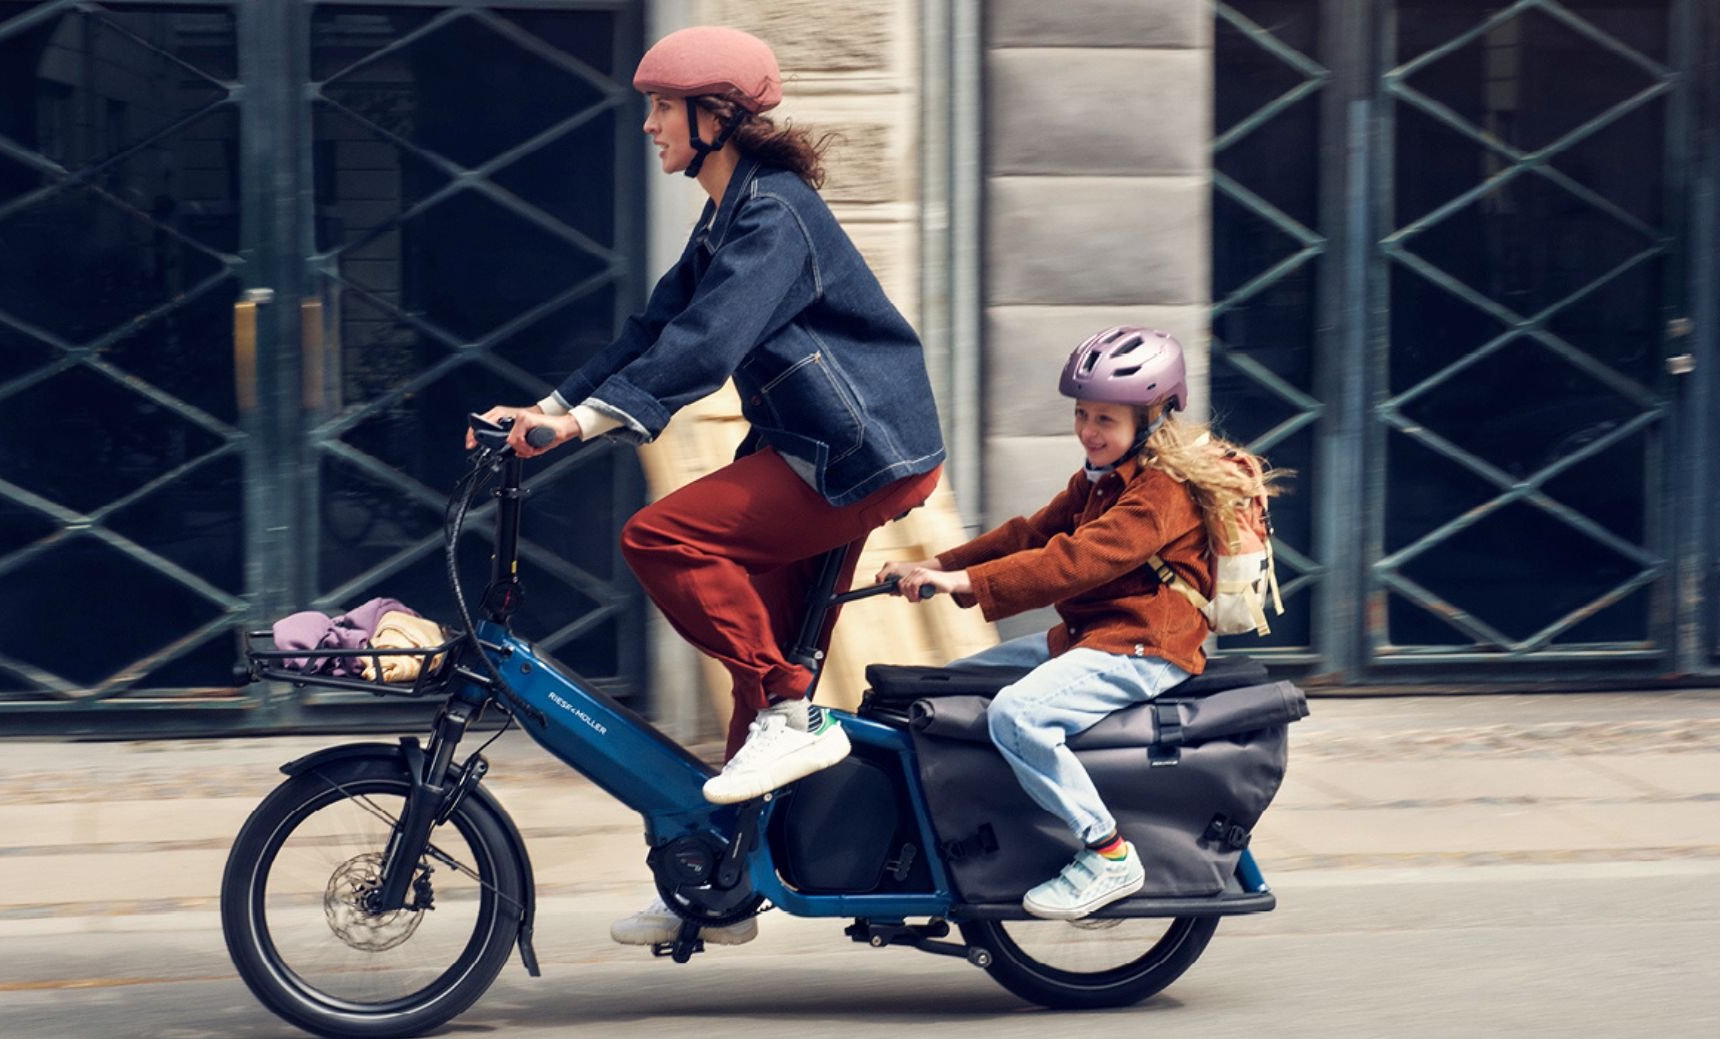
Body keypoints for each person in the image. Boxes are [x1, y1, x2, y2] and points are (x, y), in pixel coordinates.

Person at [469, 26, 945, 945]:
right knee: (750, 669)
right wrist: (544, 412)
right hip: (816, 446)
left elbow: (708, 342)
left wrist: (580, 425)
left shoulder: (778, 215)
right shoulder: (730, 210)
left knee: (664, 539)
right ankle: (724, 883)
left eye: (661, 106)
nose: (648, 124)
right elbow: (652, 328)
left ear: (714, 116)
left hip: (859, 456)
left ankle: (793, 712)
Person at [881, 326, 1279, 919]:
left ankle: (1108, 854)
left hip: (1144, 646)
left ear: (1153, 419)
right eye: (1082, 414)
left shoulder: (1162, 492)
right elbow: (1032, 535)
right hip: (1091, 638)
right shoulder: (1100, 478)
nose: (1089, 431)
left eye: (1106, 420)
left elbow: (1077, 561)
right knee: (954, 684)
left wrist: (968, 584)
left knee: (1019, 716)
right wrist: (939, 563)